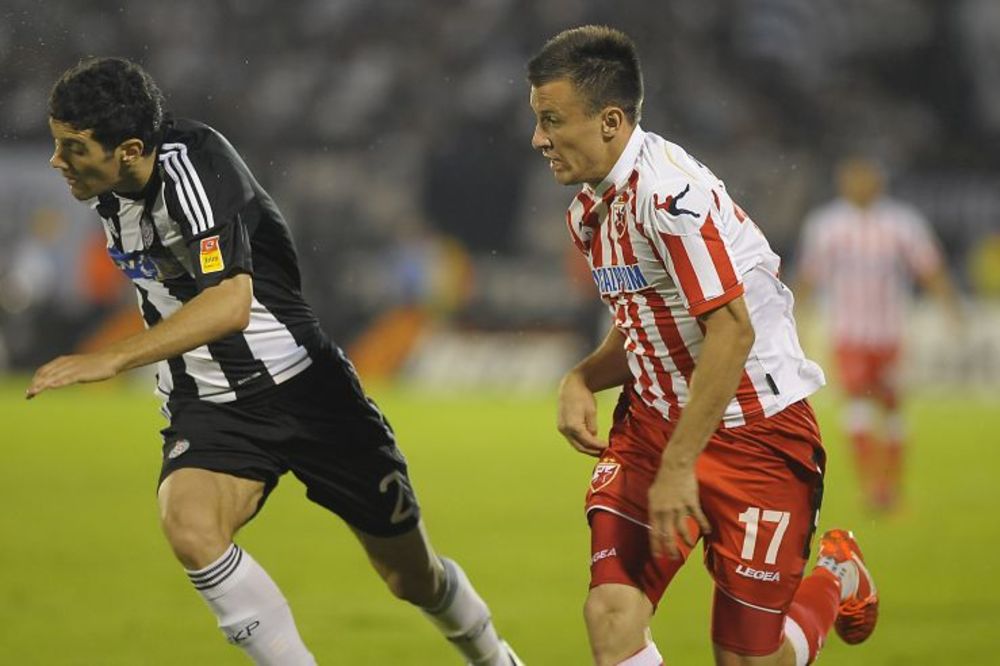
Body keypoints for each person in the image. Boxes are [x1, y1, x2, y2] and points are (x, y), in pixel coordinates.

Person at [28, 57, 522, 666]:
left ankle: (495, 658)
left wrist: (110, 359)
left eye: (72, 148)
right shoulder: (109, 186)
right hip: (210, 407)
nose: (59, 162)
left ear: (130, 149)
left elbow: (231, 303)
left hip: (307, 392)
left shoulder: (193, 169)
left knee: (411, 578)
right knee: (190, 526)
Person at [527, 26, 878, 666]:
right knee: (611, 614)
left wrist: (681, 465)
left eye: (552, 120)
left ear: (609, 121)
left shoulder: (670, 198)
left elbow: (733, 329)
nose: (539, 138)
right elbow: (647, 322)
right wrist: (581, 377)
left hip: (755, 434)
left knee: (746, 659)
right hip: (654, 427)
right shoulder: (590, 210)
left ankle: (836, 577)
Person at [796, 157, 961, 510]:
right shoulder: (827, 225)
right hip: (848, 333)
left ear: (879, 182)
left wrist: (950, 307)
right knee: (855, 403)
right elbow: (809, 276)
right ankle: (873, 486)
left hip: (890, 333)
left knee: (891, 405)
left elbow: (929, 267)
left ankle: (891, 485)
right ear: (843, 182)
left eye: (866, 178)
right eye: (853, 179)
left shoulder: (902, 223)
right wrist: (798, 317)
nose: (860, 185)